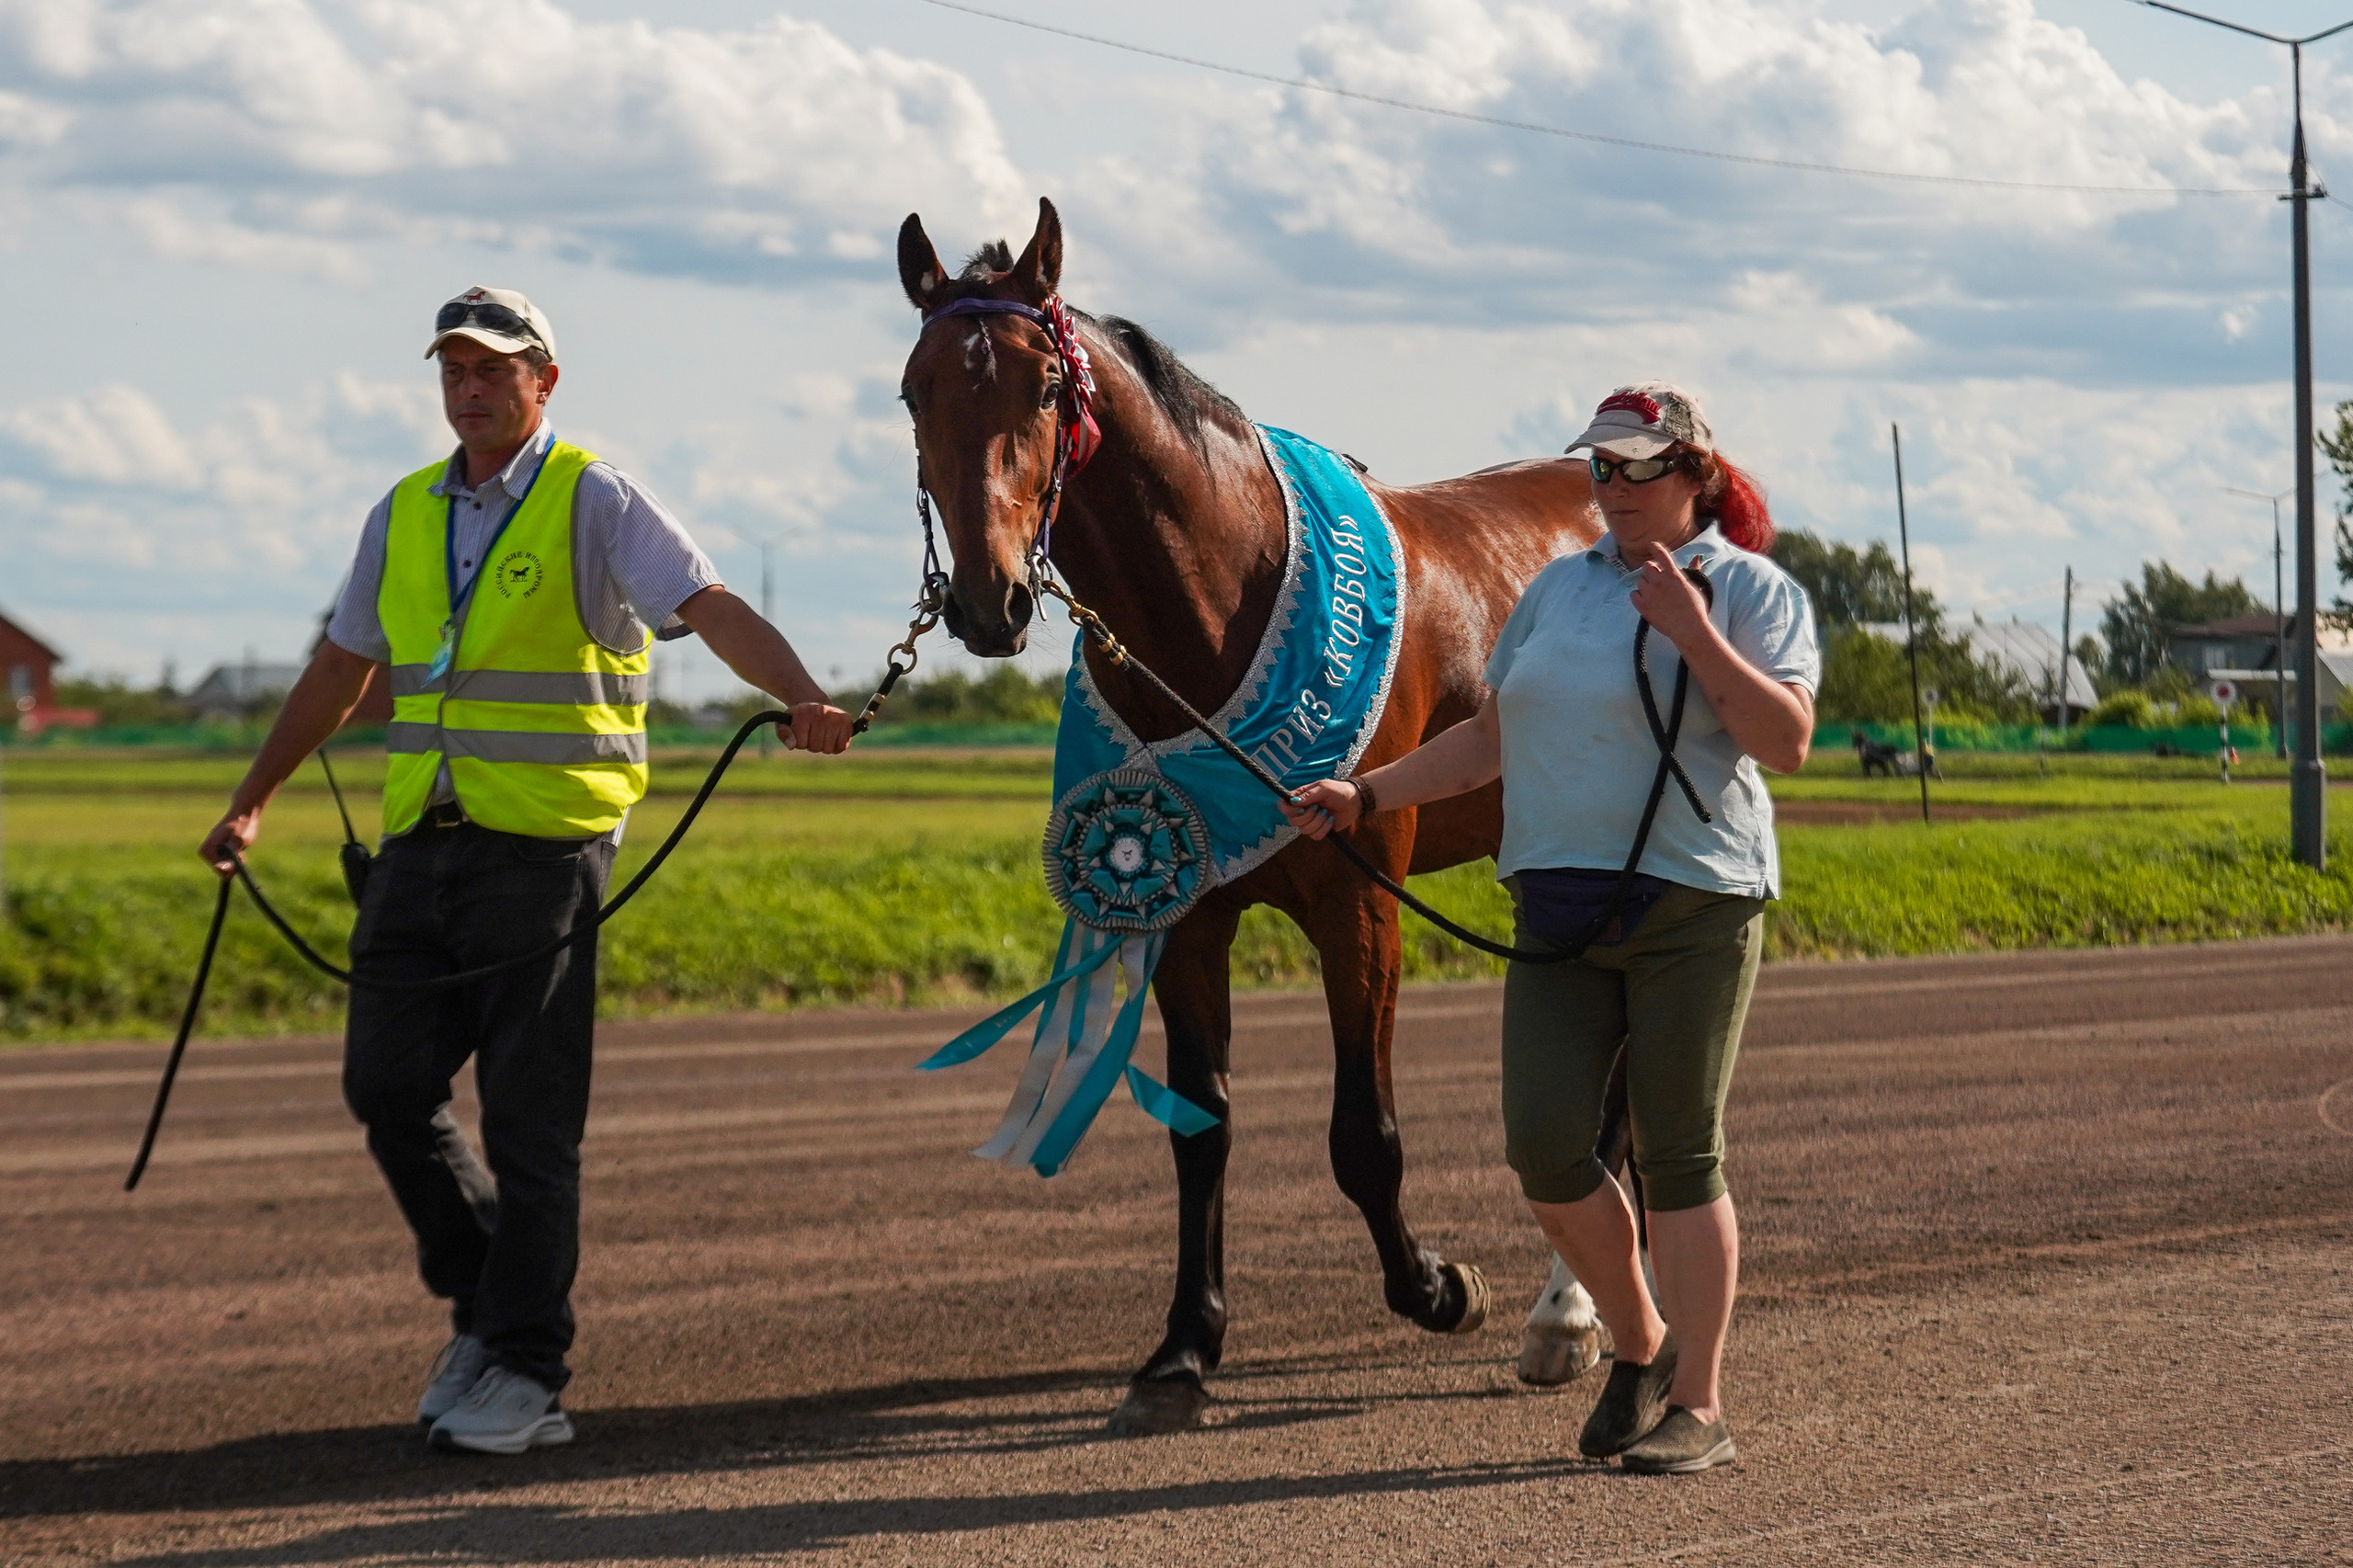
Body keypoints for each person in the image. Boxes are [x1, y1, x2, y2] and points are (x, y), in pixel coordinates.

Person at [198, 286, 854, 1454]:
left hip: (545, 848)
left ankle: (526, 1371)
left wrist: (797, 692)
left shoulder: (593, 496)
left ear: (545, 380)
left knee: (531, 1125)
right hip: (418, 847)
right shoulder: (400, 511)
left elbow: (706, 604)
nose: (470, 385)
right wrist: (251, 799)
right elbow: (343, 668)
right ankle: (491, 1308)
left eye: (494, 367)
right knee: (386, 1088)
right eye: (453, 367)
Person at [1282, 382, 1816, 1474]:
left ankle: (1699, 1404)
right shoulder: (1557, 591)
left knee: (1678, 1157)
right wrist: (1366, 794)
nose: (1611, 486)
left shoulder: (1751, 589)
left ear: (1693, 478)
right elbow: (1491, 734)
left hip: (1693, 904)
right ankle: (1641, 1342)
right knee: (1542, 1146)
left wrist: (1694, 633)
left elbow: (1786, 737)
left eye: (1635, 467)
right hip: (1560, 904)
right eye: (1600, 468)